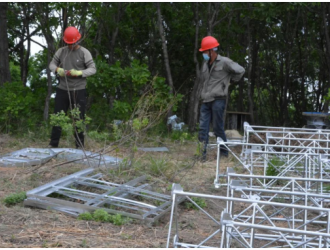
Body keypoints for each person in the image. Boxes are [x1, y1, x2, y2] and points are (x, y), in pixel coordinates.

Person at [48, 26, 96, 149]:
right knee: (58, 116)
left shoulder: (84, 52)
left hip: (79, 89)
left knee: (79, 118)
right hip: (63, 89)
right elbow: (51, 64)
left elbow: (93, 69)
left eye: (73, 43)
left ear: (77, 41)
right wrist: (58, 70)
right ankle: (53, 144)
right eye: (69, 43)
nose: (71, 46)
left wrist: (80, 73)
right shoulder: (61, 51)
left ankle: (79, 146)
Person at [198, 36, 245, 161]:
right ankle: (201, 154)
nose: (203, 54)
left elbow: (240, 70)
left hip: (218, 99)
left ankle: (224, 154)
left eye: (204, 51)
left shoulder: (225, 62)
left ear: (211, 51)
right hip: (206, 100)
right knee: (203, 128)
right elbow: (204, 82)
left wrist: (230, 82)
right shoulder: (204, 64)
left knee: (218, 127)